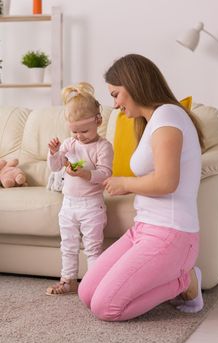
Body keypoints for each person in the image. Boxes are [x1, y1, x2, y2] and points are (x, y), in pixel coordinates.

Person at [78, 54, 205, 320]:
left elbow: (167, 182)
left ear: (134, 85)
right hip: (143, 229)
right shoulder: (151, 122)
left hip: (171, 233)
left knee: (105, 308)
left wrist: (125, 183)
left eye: (116, 95)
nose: (115, 105)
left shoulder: (169, 117)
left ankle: (186, 280)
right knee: (86, 293)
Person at [46, 82, 113, 295]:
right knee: (68, 245)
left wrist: (84, 173)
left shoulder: (103, 146)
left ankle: (94, 285)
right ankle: (68, 280)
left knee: (92, 248)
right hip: (68, 205)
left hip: (91, 205)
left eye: (84, 130)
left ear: (98, 121)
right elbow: (56, 167)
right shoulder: (70, 143)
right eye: (74, 131)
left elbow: (105, 173)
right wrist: (54, 153)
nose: (79, 136)